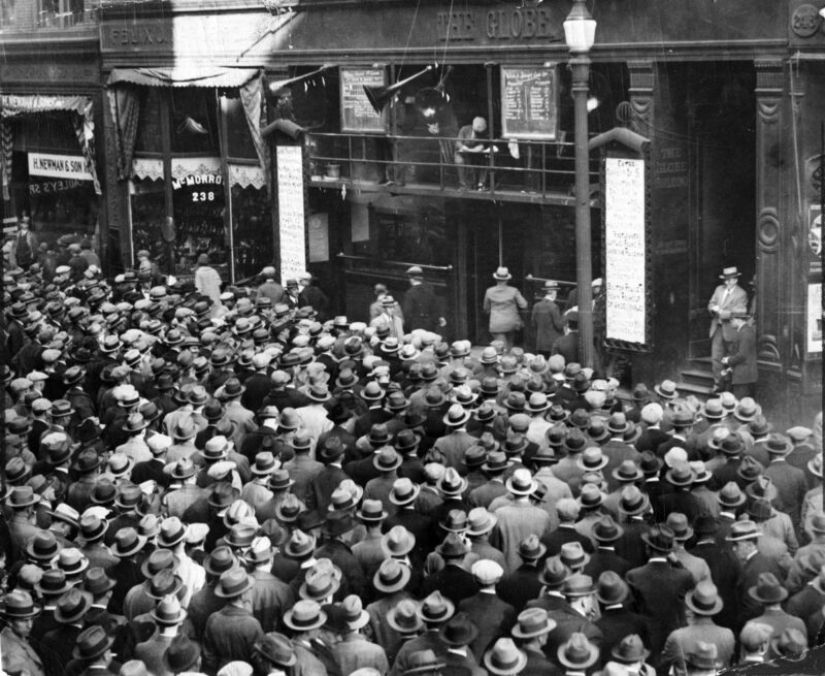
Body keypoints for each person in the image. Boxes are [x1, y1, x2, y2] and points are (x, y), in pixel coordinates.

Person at [707, 265, 748, 391]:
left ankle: (731, 386)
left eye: (729, 280)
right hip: (718, 328)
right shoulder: (719, 289)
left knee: (731, 358)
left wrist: (722, 312)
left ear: (736, 280)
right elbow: (711, 303)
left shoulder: (741, 293)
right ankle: (718, 385)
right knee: (716, 358)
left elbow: (741, 311)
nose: (726, 282)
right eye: (725, 280)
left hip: (732, 330)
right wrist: (713, 309)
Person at [483, 267, 528, 351]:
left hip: (497, 324)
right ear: (507, 280)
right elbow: (524, 305)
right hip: (511, 323)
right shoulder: (514, 291)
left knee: (502, 350)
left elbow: (486, 308)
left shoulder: (489, 291)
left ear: (496, 279)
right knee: (509, 348)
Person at [720, 313, 757, 399]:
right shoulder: (744, 331)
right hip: (744, 376)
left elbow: (742, 355)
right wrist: (731, 367)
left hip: (743, 377)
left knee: (739, 402)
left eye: (732, 319)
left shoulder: (745, 333)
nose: (730, 321)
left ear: (739, 320)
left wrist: (728, 360)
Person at [402, 266, 445, 334]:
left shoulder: (410, 294)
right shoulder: (430, 292)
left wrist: (406, 329)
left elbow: (407, 313)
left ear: (411, 279)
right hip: (430, 327)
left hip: (415, 327)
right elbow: (435, 311)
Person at [455, 116, 491, 191]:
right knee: (459, 161)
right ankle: (462, 185)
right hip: (462, 153)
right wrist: (463, 147)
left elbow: (480, 147)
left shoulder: (483, 133)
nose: (478, 133)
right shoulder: (464, 129)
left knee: (484, 160)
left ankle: (481, 184)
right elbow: (458, 143)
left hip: (475, 154)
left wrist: (471, 150)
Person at [531, 281, 564, 358]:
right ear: (553, 292)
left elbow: (533, 323)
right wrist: (565, 318)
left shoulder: (536, 306)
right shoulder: (554, 306)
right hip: (552, 343)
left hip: (540, 343)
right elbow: (559, 325)